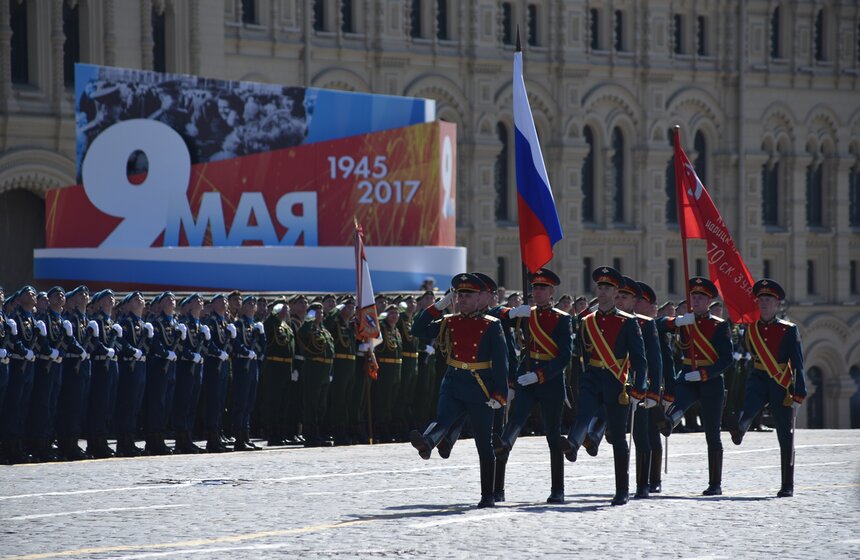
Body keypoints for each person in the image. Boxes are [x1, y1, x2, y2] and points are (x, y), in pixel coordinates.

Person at [409, 273, 509, 508]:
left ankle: (487, 495)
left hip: (480, 386)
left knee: (483, 444)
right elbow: (418, 329)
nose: (462, 299)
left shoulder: (491, 325)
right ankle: (426, 443)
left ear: (480, 297)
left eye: (468, 295)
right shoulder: (449, 321)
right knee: (443, 419)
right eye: (459, 294)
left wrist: (500, 394)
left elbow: (501, 363)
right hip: (454, 382)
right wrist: (439, 306)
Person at [558, 267, 648, 506]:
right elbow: (583, 356)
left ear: (616, 291)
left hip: (617, 382)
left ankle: (622, 489)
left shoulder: (628, 322)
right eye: (600, 287)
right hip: (593, 377)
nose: (604, 291)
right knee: (584, 412)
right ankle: (573, 444)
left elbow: (640, 359)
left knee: (618, 437)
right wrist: (579, 382)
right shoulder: (587, 321)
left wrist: (639, 388)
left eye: (608, 288)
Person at [495, 268, 573, 504]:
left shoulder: (562, 318)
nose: (536, 292)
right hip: (525, 378)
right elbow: (491, 317)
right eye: (534, 288)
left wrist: (539, 375)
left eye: (541, 288)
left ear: (551, 292)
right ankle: (498, 487)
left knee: (552, 435)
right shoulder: (525, 314)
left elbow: (564, 357)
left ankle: (557, 489)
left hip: (549, 381)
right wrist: (510, 312)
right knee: (512, 424)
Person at [730, 279, 805, 498]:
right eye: (761, 299)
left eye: (768, 300)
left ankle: (787, 484)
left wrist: (799, 392)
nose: (763, 303)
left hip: (781, 383)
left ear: (777, 304)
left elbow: (798, 363)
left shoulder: (789, 330)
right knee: (749, 406)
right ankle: (739, 429)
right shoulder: (751, 329)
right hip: (759, 377)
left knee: (785, 434)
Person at [658, 277, 733, 495]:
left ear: (709, 301)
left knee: (712, 433)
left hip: (710, 379)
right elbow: (656, 326)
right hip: (687, 375)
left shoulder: (718, 326)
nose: (696, 300)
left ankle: (715, 483)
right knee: (680, 401)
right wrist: (676, 322)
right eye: (694, 296)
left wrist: (704, 374)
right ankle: (669, 420)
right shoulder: (685, 321)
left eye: (701, 297)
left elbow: (726, 359)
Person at [1, 287, 42, 463]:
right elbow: (13, 342)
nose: (32, 295)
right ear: (18, 299)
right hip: (17, 366)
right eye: (27, 293)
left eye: (34, 293)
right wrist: (21, 348)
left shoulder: (30, 319)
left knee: (21, 408)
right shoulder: (14, 318)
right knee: (11, 409)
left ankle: (17, 446)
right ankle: (8, 448)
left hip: (24, 366)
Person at [55, 286, 94, 460]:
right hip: (73, 365)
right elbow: (68, 342)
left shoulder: (86, 319)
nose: (84, 296)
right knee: (71, 406)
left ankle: (74, 442)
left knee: (79, 406)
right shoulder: (71, 319)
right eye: (80, 294)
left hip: (84, 364)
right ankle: (67, 444)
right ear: (72, 299)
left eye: (86, 294)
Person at [114, 291, 151, 457]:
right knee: (127, 405)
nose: (140, 301)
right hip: (129, 367)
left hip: (140, 367)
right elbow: (121, 343)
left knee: (135, 405)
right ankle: (123, 442)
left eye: (141, 299)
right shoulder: (125, 322)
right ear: (127, 305)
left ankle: (131, 440)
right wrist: (131, 351)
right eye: (135, 299)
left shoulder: (143, 324)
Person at [144, 292, 180, 455]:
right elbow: (155, 344)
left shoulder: (176, 322)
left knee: (167, 403)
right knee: (156, 404)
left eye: (172, 299)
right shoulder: (156, 322)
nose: (171, 301)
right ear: (160, 305)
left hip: (171, 366)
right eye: (167, 299)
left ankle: (161, 437)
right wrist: (165, 353)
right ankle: (153, 440)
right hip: (159, 366)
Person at [231, 296, 266, 451]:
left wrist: (262, 334)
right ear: (243, 307)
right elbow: (236, 343)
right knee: (241, 401)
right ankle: (239, 438)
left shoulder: (256, 325)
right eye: (249, 303)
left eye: (254, 304)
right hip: (243, 364)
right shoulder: (239, 324)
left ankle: (246, 436)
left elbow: (263, 348)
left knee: (250, 402)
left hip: (253, 366)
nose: (252, 305)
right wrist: (246, 352)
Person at [173, 294, 207, 454]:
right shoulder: (185, 324)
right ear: (188, 306)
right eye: (196, 300)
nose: (200, 302)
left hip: (198, 368)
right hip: (186, 369)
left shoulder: (201, 325)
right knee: (184, 404)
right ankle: (181, 440)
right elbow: (179, 346)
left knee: (193, 405)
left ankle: (188, 437)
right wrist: (191, 355)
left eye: (201, 300)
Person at [297, 301, 334, 447]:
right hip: (313, 369)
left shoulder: (324, 330)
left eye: (321, 313)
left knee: (321, 405)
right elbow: (302, 334)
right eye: (317, 312)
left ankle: (319, 433)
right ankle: (310, 435)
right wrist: (309, 319)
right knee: (311, 404)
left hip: (325, 370)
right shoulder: (308, 328)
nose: (320, 315)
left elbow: (331, 351)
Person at [202, 294, 234, 452]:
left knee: (221, 403)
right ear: (213, 304)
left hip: (224, 366)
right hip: (214, 366)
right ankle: (212, 440)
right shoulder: (212, 321)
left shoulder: (225, 322)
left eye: (226, 301)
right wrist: (217, 353)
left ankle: (218, 436)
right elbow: (208, 344)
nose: (225, 303)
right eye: (221, 301)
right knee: (214, 403)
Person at [262, 300, 295, 446]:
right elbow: (267, 325)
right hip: (274, 366)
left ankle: (281, 433)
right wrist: (274, 313)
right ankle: (272, 435)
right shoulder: (272, 324)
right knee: (274, 403)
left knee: (284, 403)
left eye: (286, 310)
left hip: (286, 367)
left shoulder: (287, 327)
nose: (284, 312)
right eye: (281, 309)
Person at [324, 296, 355, 446]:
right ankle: (337, 432)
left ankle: (345, 431)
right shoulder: (335, 322)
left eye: (352, 307)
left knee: (348, 401)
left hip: (351, 365)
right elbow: (327, 325)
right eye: (348, 307)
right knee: (339, 401)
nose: (351, 309)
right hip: (340, 365)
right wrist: (336, 310)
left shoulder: (351, 324)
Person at [373, 304, 403, 443]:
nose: (394, 316)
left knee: (392, 401)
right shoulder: (382, 328)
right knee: (383, 401)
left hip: (396, 369)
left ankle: (389, 428)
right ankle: (381, 430)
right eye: (391, 313)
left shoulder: (396, 330)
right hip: (385, 369)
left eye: (396, 313)